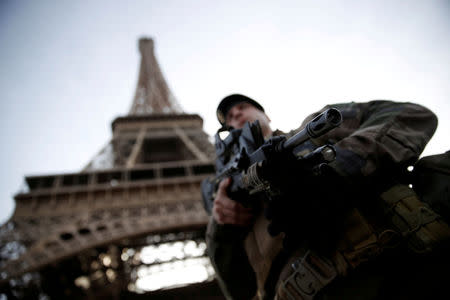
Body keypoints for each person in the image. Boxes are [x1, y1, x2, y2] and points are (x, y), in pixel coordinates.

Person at [206, 94, 449, 300]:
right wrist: (221, 227)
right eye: (228, 117)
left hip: (404, 260)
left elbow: (411, 114)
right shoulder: (227, 200)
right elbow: (238, 291)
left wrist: (341, 168)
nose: (235, 113)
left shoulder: (314, 127)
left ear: (266, 115)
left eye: (243, 106)